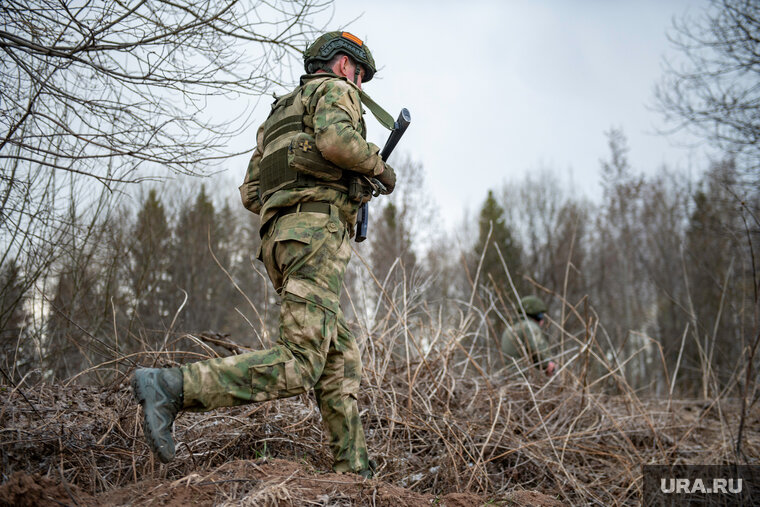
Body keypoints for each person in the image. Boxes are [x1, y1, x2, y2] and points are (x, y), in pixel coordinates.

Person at [131, 31, 397, 478]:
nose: (360, 85)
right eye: (360, 75)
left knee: (340, 357)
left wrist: (303, 192)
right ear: (344, 65)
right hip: (314, 238)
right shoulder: (334, 91)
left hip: (280, 242)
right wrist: (378, 168)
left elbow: (252, 193)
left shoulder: (280, 113)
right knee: (300, 363)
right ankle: (171, 387)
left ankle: (353, 473)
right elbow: (337, 143)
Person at [501, 295, 556, 376]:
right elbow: (537, 350)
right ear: (537, 316)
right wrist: (548, 364)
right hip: (524, 378)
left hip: (509, 378)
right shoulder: (530, 326)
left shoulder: (510, 328)